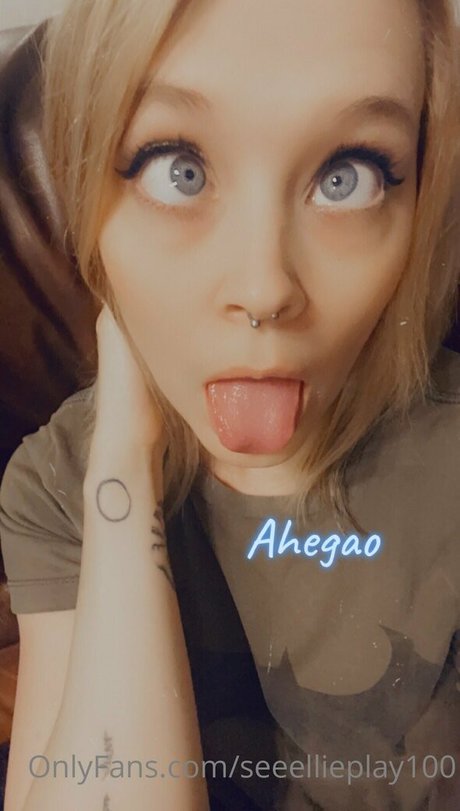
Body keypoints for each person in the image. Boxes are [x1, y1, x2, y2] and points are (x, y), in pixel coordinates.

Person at [0, 0, 459, 808]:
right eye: (176, 167)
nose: (264, 287)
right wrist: (122, 462)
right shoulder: (58, 486)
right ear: (86, 192)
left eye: (347, 176)